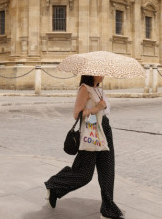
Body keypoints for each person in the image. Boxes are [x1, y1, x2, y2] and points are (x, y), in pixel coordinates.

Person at [44, 75, 124, 219]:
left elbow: (103, 112)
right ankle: (54, 185)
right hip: (91, 131)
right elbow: (77, 114)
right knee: (84, 175)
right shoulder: (84, 89)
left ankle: (108, 208)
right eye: (100, 72)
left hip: (104, 129)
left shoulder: (98, 89)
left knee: (107, 170)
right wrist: (96, 108)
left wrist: (102, 108)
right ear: (91, 74)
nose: (103, 75)